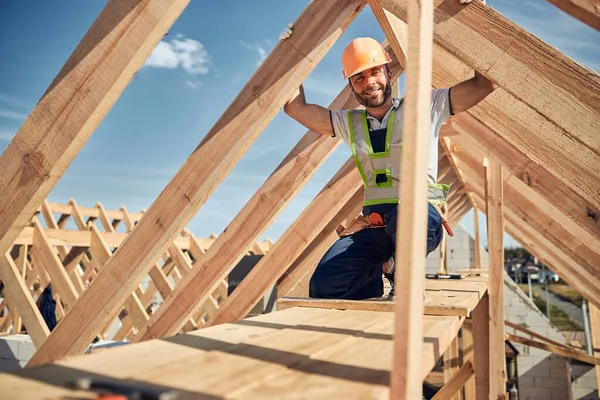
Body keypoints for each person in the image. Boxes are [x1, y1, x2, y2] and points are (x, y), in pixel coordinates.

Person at [283, 37, 497, 300]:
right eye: (359, 78)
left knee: (406, 216)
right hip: (373, 226)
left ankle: (403, 275)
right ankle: (384, 271)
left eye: (374, 72)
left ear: (388, 72)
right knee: (325, 286)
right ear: (351, 86)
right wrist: (294, 52)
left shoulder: (427, 106)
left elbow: (484, 84)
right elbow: (296, 108)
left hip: (418, 219)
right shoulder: (348, 123)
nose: (369, 82)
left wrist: (469, 26)